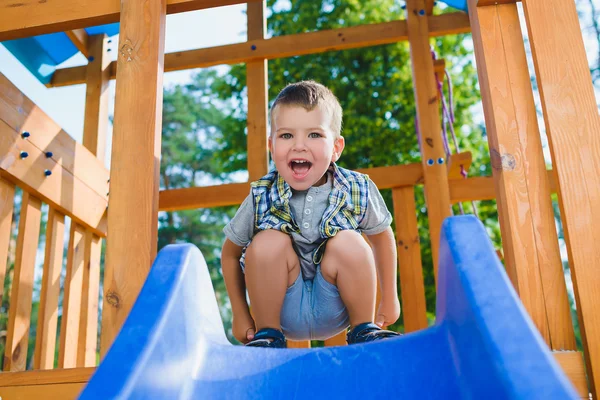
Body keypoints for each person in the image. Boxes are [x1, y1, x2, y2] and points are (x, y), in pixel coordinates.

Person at [221, 80, 400, 348]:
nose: (299, 146)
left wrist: (390, 297)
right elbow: (230, 253)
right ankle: (268, 336)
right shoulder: (262, 194)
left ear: (336, 148)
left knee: (349, 241)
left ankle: (364, 329)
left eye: (314, 135)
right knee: (268, 241)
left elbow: (382, 237)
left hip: (336, 304)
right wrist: (240, 312)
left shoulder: (356, 188)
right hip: (281, 309)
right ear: (272, 146)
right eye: (286, 135)